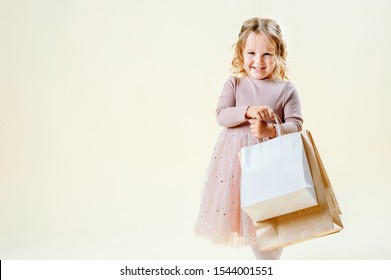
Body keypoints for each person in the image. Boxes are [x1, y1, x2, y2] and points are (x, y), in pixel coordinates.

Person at [195, 17, 303, 260]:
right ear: (241, 52)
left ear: (278, 54)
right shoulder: (234, 84)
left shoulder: (286, 90)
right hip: (239, 166)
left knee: (272, 216)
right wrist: (248, 110)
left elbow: (296, 125)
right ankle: (267, 263)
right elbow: (221, 115)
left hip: (273, 164)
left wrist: (270, 131)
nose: (258, 61)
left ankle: (271, 260)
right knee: (251, 218)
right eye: (251, 53)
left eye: (267, 54)